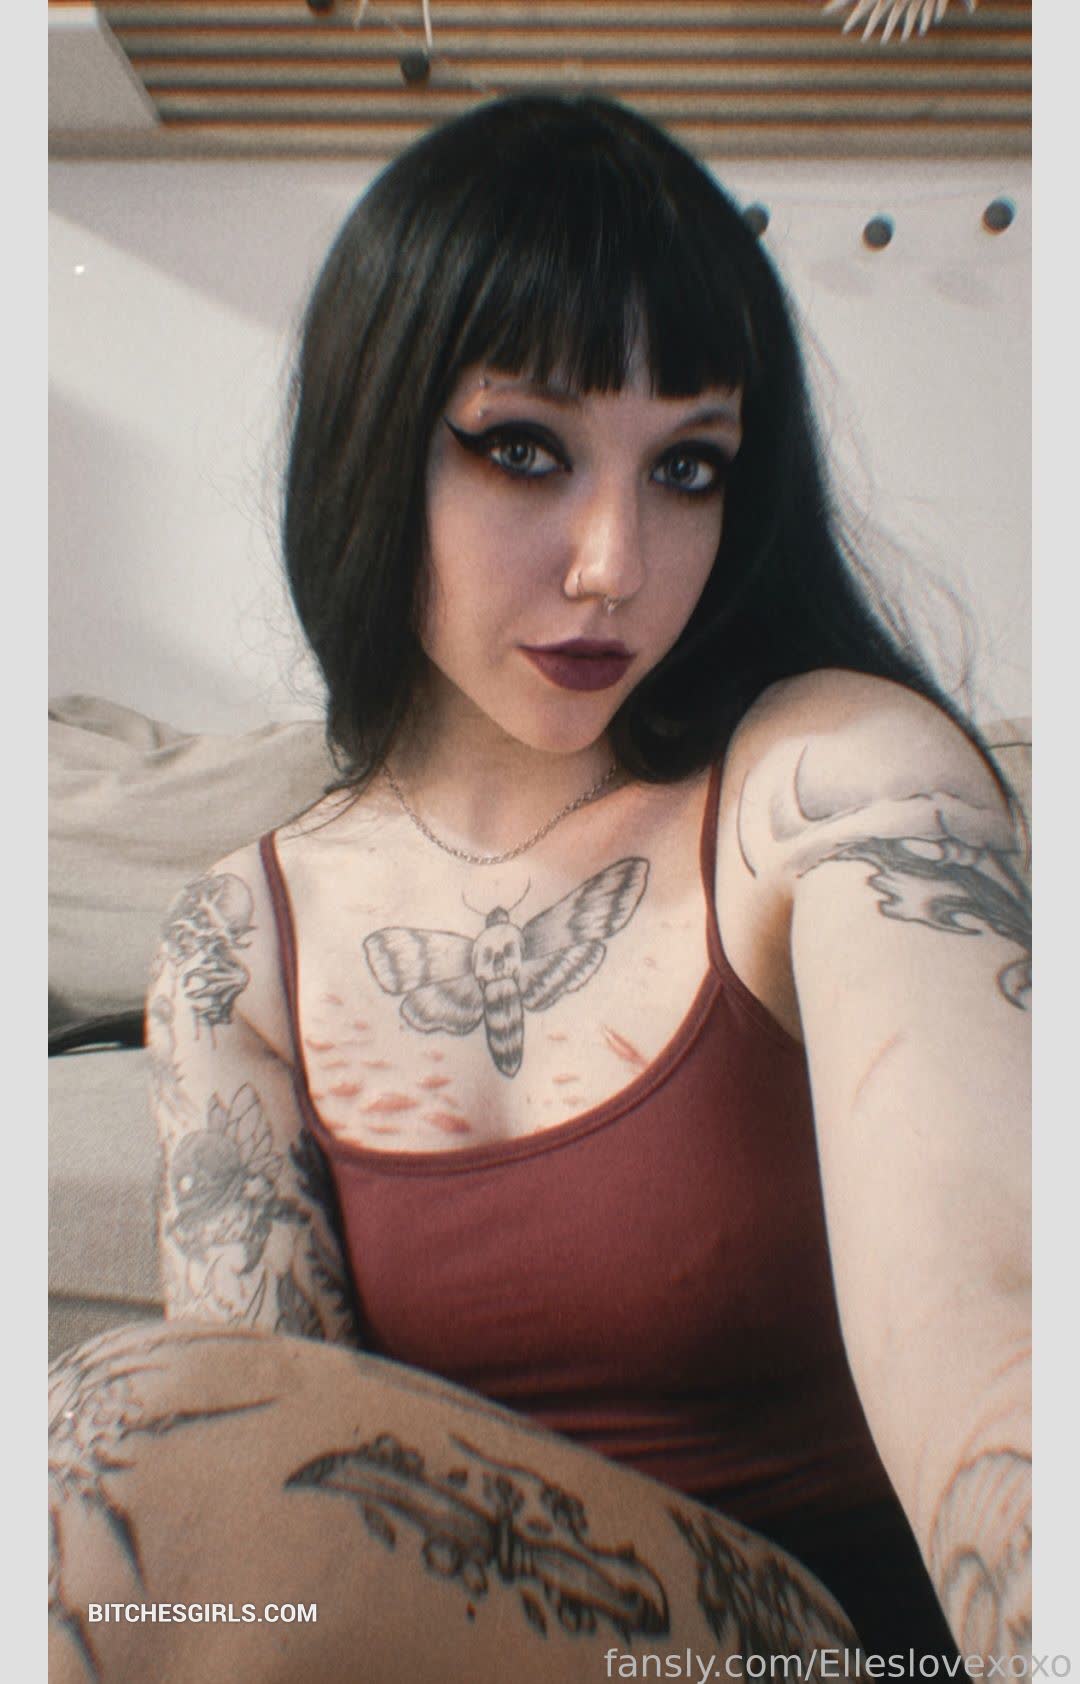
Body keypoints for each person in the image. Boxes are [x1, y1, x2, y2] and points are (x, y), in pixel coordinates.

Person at [49, 94, 1031, 1683]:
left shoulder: (832, 779)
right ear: (374, 445)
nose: (614, 563)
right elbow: (262, 1458)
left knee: (106, 1447)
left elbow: (1005, 1322)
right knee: (107, 1477)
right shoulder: (241, 936)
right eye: (526, 449)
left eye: (689, 467)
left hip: (832, 1651)